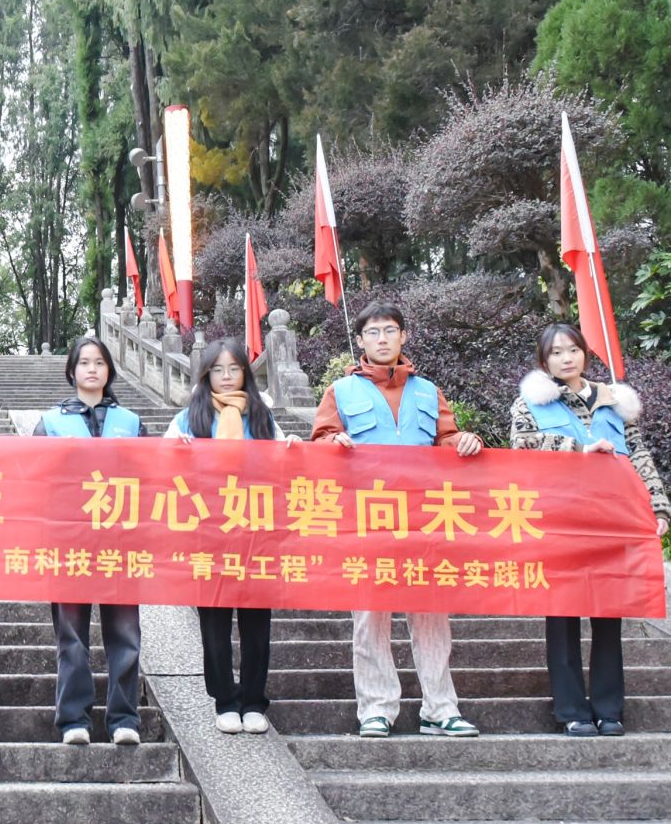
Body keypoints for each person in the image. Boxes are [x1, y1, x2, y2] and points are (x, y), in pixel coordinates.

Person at [313, 304, 484, 739]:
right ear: (360, 341)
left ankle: (440, 708)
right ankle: (376, 708)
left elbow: (447, 438)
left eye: (390, 330)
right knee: (371, 614)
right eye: (373, 332)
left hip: (424, 517)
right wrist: (334, 443)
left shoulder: (427, 390)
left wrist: (465, 440)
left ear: (403, 336)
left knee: (431, 614)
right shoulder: (340, 391)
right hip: (366, 519)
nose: (383, 339)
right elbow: (319, 443)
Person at [510, 322, 671, 737]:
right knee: (562, 615)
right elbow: (521, 448)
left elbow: (639, 457)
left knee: (608, 613)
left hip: (610, 520)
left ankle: (608, 708)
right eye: (556, 352)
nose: (566, 358)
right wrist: (578, 449)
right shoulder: (531, 403)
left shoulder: (614, 401)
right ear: (543, 360)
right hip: (558, 521)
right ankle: (571, 710)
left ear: (585, 353)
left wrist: (657, 507)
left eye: (573, 350)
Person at [168, 338, 298, 735]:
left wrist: (294, 448)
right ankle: (225, 699)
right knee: (214, 622)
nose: (226, 377)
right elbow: (162, 466)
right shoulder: (189, 417)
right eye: (218, 370)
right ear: (206, 374)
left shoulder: (261, 415)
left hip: (256, 532)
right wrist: (175, 450)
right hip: (209, 533)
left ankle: (255, 700)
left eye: (234, 369)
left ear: (245, 372)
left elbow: (283, 461)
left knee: (257, 621)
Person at [36, 337, 147, 746]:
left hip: (121, 543)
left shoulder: (131, 422)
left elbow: (154, 475)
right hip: (68, 544)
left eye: (99, 362)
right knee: (72, 636)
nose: (92, 369)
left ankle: (124, 719)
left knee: (125, 636)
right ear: (72, 371)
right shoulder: (50, 423)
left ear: (109, 371)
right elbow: (29, 475)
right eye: (84, 362)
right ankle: (73, 719)